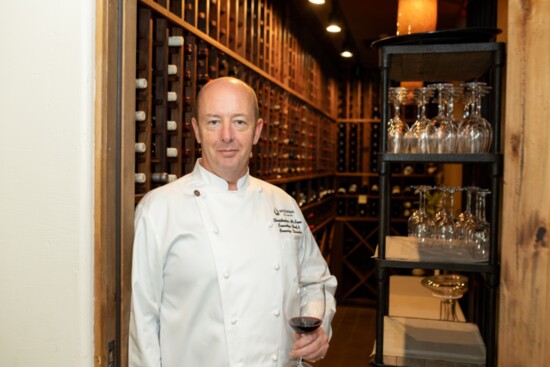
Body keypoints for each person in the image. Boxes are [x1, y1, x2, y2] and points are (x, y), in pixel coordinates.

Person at [129, 76, 337, 367]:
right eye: (214, 122)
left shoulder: (283, 205)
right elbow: (143, 324)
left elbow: (316, 281)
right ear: (196, 130)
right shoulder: (159, 209)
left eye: (239, 122)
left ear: (257, 131)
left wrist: (318, 326)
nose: (227, 135)